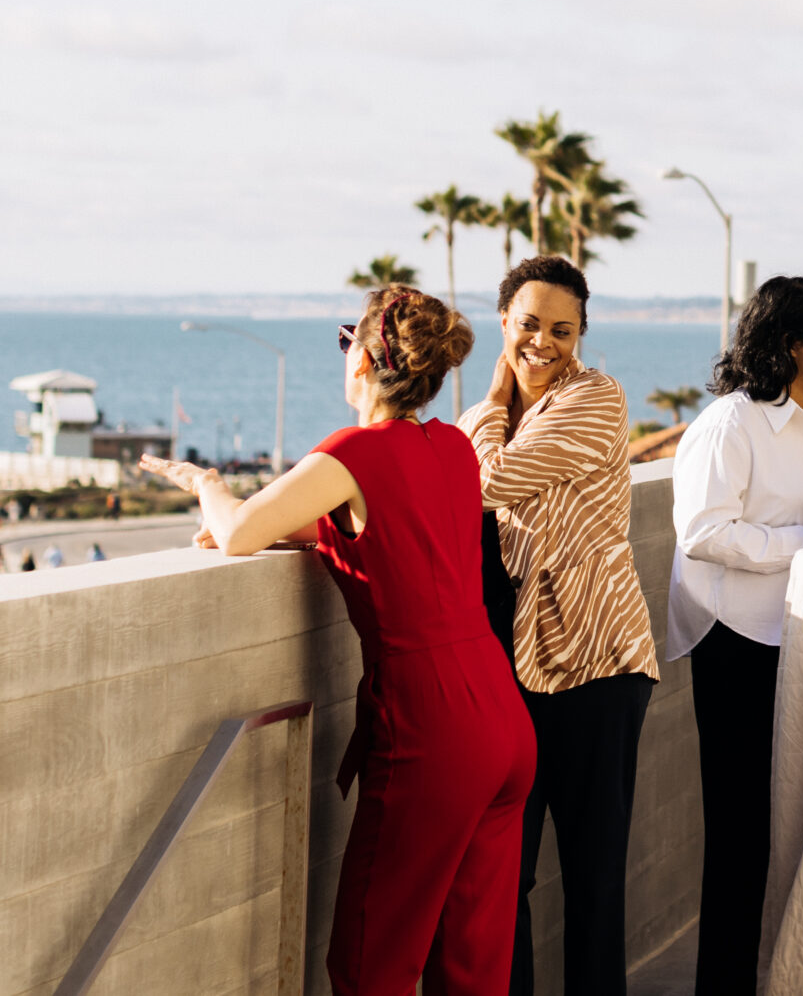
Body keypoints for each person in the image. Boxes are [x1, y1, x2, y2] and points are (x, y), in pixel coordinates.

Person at [142, 285, 534, 995]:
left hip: (434, 725)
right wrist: (283, 524)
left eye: (346, 337)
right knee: (473, 969)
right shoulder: (452, 446)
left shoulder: (350, 452)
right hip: (502, 716)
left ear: (364, 360)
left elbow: (237, 532)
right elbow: (387, 529)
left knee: (370, 965)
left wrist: (206, 483)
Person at [459, 255, 660, 996]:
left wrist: (487, 406)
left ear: (580, 334)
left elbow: (487, 480)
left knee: (593, 877)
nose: (543, 342)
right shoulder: (487, 419)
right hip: (512, 671)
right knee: (504, 876)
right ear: (503, 322)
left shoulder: (596, 397)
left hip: (598, 661)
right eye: (529, 324)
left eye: (562, 330)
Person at [667, 275, 803, 996]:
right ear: (788, 340)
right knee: (739, 830)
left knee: (795, 820)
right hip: (735, 637)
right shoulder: (730, 424)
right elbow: (703, 532)